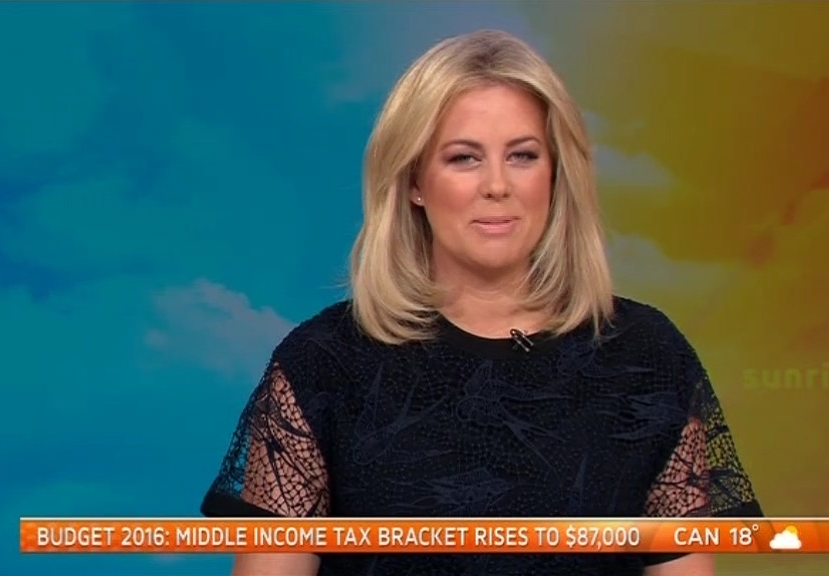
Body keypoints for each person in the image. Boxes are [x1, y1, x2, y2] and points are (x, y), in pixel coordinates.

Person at [200, 29, 762, 576]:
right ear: (414, 181)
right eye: (464, 158)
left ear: (556, 175)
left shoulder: (648, 355)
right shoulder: (322, 363)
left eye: (523, 155)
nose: (497, 185)